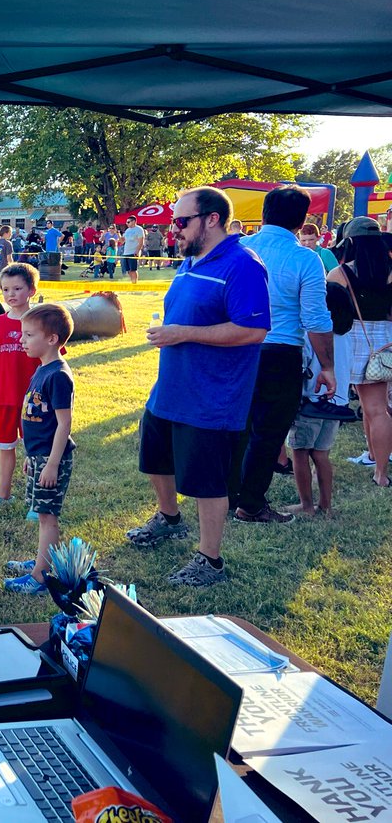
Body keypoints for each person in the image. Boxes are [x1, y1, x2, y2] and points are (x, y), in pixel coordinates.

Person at [127, 186, 270, 587]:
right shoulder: (192, 260)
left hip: (212, 396)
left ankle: (210, 560)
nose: (174, 229)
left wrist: (181, 333)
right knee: (154, 458)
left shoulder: (243, 264)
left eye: (181, 221)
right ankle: (169, 518)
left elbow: (253, 330)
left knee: (207, 480)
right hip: (172, 387)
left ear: (211, 219)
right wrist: (173, 335)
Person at [229, 185, 335, 524]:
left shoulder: (239, 248)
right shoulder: (306, 258)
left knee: (237, 425)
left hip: (236, 345)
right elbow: (316, 319)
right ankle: (251, 502)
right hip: (281, 350)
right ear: (303, 220)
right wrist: (328, 366)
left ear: (263, 214)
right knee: (269, 431)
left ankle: (229, 495)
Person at [4, 303, 76, 594]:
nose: (22, 340)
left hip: (51, 458)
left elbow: (64, 424)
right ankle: (41, 561)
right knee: (41, 513)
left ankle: (40, 576)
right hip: (38, 456)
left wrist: (51, 464)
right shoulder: (42, 370)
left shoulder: (59, 375)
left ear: (52, 339)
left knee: (47, 517)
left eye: (29, 335)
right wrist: (31, 458)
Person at [327, 216, 392, 488]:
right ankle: (374, 458)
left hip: (356, 340)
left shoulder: (340, 274)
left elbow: (331, 316)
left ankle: (381, 472)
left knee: (374, 409)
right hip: (387, 341)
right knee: (374, 407)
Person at [0, 263, 40, 508]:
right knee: (5, 447)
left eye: (17, 288)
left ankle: (37, 501)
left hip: (33, 401)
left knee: (35, 450)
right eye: (5, 289)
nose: (11, 294)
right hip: (2, 398)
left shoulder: (41, 321)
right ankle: (2, 494)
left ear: (32, 290)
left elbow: (53, 360)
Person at [283, 338, 340, 515]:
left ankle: (306, 505)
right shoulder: (346, 335)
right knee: (321, 454)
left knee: (300, 452)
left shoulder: (312, 335)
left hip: (310, 401)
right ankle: (326, 505)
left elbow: (301, 364)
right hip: (337, 402)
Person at [121, 215, 145, 284]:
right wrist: (118, 234)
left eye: (128, 222)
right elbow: (122, 240)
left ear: (134, 221)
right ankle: (132, 282)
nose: (127, 223)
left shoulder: (139, 229)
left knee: (133, 269)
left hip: (133, 252)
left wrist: (137, 251)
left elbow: (141, 242)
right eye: (126, 222)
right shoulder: (127, 230)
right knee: (128, 270)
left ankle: (135, 284)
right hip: (126, 252)